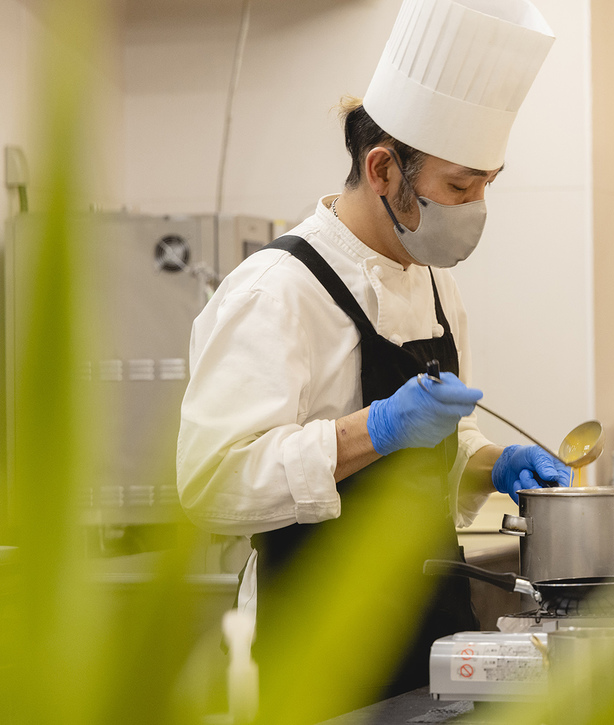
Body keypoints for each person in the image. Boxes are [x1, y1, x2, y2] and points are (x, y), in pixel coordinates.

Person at [176, 0, 563, 713]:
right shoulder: (276, 290)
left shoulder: (435, 281)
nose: (476, 207)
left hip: (431, 632)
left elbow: (439, 440)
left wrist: (489, 460)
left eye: (487, 185)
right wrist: (374, 429)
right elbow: (211, 484)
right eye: (459, 187)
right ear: (383, 168)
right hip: (317, 648)